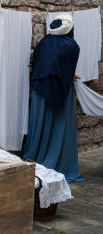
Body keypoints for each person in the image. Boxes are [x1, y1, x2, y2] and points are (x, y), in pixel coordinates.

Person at [22, 13, 84, 182]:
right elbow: (67, 69)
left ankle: (35, 155)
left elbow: (39, 64)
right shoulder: (72, 46)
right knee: (59, 126)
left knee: (41, 123)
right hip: (63, 92)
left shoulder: (43, 43)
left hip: (41, 91)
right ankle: (60, 162)